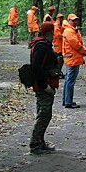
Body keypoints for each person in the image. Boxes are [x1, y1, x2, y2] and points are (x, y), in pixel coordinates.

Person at [29, 21, 60, 155]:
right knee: (44, 115)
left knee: (43, 114)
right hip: (43, 86)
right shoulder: (42, 46)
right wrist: (45, 86)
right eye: (53, 32)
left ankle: (40, 143)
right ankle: (35, 145)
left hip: (44, 84)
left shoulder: (41, 44)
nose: (54, 34)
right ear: (49, 32)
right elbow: (36, 67)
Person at [62, 14, 86, 109]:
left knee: (68, 80)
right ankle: (68, 102)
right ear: (69, 21)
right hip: (73, 58)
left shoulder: (72, 30)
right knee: (70, 81)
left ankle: (66, 100)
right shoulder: (69, 31)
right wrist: (84, 51)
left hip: (73, 58)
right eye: (73, 20)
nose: (75, 21)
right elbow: (76, 44)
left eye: (76, 19)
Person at [53, 13, 65, 78]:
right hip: (57, 45)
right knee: (59, 59)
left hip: (61, 44)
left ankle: (59, 71)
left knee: (61, 59)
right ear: (57, 18)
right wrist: (65, 36)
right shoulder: (56, 25)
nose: (61, 19)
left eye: (62, 17)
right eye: (60, 17)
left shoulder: (61, 25)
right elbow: (58, 34)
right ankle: (57, 72)